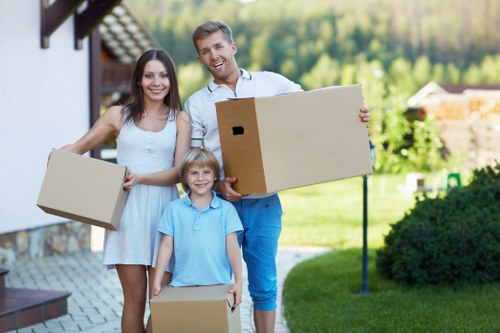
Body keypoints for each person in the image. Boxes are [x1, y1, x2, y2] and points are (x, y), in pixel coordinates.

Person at [184, 20, 370, 333]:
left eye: (218, 46)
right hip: (216, 207)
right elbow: (194, 159)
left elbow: (311, 111)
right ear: (200, 59)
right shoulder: (198, 104)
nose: (213, 54)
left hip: (263, 204)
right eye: (205, 51)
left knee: (264, 285)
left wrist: (354, 114)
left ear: (232, 47)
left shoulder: (270, 84)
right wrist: (217, 184)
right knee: (214, 283)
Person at [58, 49, 191, 333]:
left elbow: (179, 173)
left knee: (161, 301)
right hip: (127, 216)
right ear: (139, 80)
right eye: (150, 75)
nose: (157, 82)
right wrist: (58, 156)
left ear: (171, 80)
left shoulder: (181, 120)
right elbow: (79, 146)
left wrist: (142, 177)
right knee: (134, 301)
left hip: (166, 217)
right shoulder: (118, 115)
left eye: (164, 75)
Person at [152, 148, 243, 309]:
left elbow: (233, 248)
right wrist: (157, 281)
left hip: (218, 285)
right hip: (182, 285)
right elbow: (166, 246)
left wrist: (239, 282)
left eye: (206, 172)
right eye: (193, 173)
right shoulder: (174, 209)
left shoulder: (227, 209)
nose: (200, 178)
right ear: (185, 178)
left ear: (215, 175)